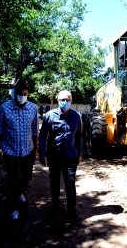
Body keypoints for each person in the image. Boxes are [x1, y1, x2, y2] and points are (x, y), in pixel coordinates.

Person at [0, 80, 38, 220]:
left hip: (27, 150)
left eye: (25, 94)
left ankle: (17, 194)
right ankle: (12, 206)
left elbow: (35, 131)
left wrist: (35, 148)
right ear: (15, 93)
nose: (22, 96)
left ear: (28, 94)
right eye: (20, 93)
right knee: (12, 179)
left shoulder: (33, 108)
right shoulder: (4, 108)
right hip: (10, 151)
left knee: (27, 176)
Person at [38, 90, 82, 224]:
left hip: (70, 157)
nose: (65, 102)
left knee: (70, 184)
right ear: (58, 101)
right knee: (55, 183)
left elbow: (79, 137)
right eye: (62, 100)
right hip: (54, 156)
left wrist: (79, 153)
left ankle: (72, 213)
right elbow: (43, 136)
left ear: (71, 101)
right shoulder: (49, 116)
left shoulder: (76, 117)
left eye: (67, 100)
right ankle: (55, 208)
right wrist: (43, 153)